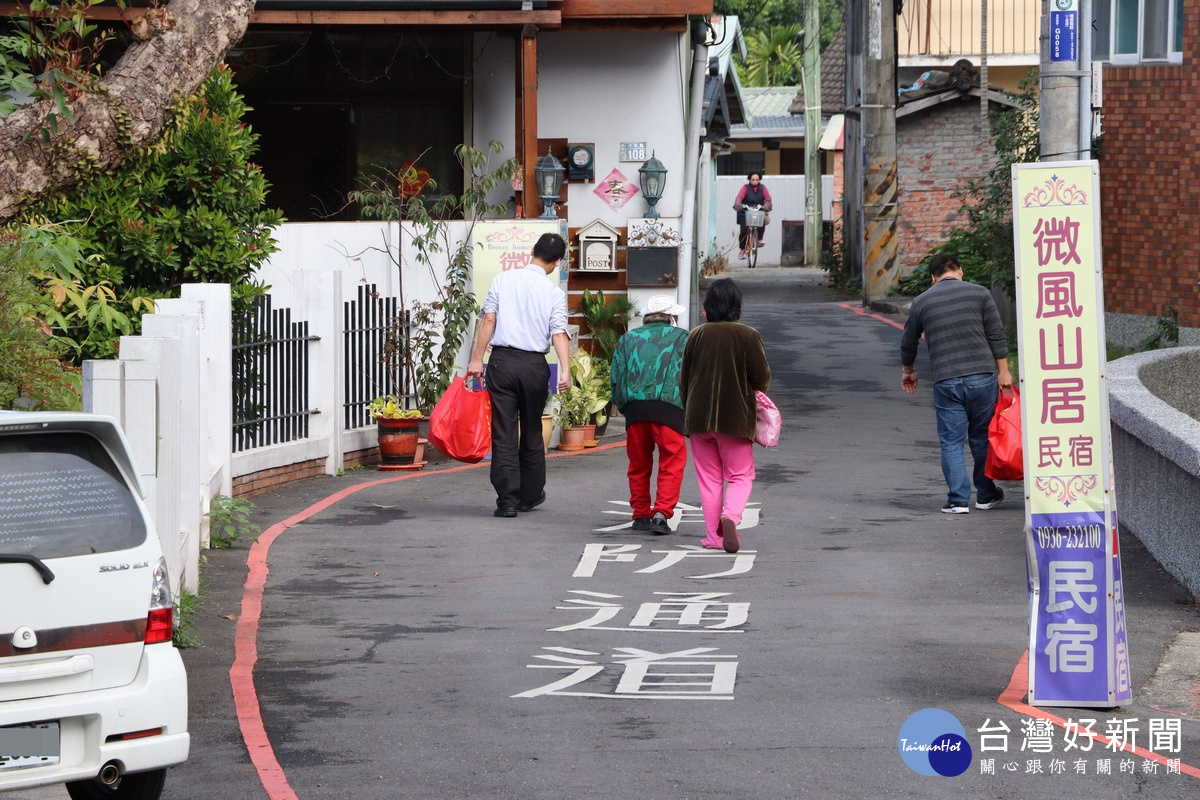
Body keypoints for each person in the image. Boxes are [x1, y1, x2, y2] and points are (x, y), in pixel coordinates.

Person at [467, 233, 572, 518]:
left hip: (501, 362)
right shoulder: (554, 293)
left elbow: (489, 318)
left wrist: (477, 359)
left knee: (503, 432)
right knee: (532, 428)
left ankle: (507, 501)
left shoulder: (503, 279)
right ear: (556, 262)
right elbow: (559, 332)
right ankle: (530, 494)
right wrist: (565, 370)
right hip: (535, 367)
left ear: (532, 251)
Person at [900, 252, 1013, 514]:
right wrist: (1004, 371)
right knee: (981, 437)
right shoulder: (980, 293)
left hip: (946, 379)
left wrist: (908, 370)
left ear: (933, 278)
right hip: (982, 377)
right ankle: (985, 494)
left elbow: (908, 341)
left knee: (951, 441)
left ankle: (958, 500)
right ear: (959, 271)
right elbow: (995, 333)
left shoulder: (921, 301)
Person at [680, 278, 772, 552]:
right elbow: (762, 379)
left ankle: (714, 537)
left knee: (709, 480)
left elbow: (684, 379)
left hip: (699, 418)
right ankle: (730, 516)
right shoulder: (748, 335)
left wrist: (689, 410)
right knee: (740, 475)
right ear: (736, 305)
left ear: (709, 306)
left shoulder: (696, 335)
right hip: (734, 419)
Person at [610, 295, 690, 535]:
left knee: (638, 464)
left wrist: (624, 405)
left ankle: (640, 514)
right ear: (672, 317)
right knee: (671, 462)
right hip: (670, 407)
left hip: (635, 409)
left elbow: (616, 376)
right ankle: (661, 513)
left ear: (646, 317)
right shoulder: (684, 338)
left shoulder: (628, 339)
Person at [732, 171, 773, 259]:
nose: (755, 181)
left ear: (759, 180)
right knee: (743, 230)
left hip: (758, 209)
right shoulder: (745, 188)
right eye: (753, 179)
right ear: (750, 179)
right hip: (745, 211)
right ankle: (742, 249)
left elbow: (767, 198)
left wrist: (767, 205)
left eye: (757, 180)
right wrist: (738, 203)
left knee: (761, 221)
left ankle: (759, 239)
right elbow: (739, 196)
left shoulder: (763, 188)